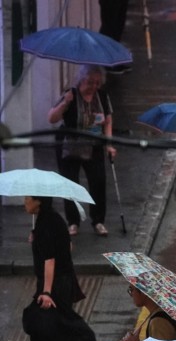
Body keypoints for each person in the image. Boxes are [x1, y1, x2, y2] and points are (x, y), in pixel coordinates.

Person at [18, 196, 99, 341]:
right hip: (60, 282)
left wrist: (46, 292)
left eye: (28, 198)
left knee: (59, 323)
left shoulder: (46, 223)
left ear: (38, 201)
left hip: (54, 285)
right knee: (42, 326)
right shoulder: (50, 220)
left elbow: (49, 260)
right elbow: (67, 246)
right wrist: (37, 237)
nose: (24, 202)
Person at [47, 64, 115, 236]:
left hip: (94, 145)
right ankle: (73, 222)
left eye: (97, 83)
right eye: (90, 82)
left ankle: (98, 221)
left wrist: (109, 143)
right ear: (82, 79)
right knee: (70, 183)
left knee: (98, 181)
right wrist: (65, 102)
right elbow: (52, 118)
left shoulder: (102, 96)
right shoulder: (71, 94)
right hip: (69, 146)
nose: (94, 86)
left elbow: (107, 121)